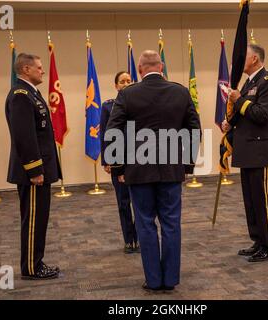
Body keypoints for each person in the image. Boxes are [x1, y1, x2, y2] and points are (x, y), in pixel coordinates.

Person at [106, 50, 201, 291]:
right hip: (171, 169)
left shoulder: (127, 94)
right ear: (161, 67)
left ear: (139, 70)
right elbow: (193, 129)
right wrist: (187, 164)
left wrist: (118, 167)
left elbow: (113, 130)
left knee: (145, 224)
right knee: (171, 223)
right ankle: (170, 280)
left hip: (138, 171)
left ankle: (153, 280)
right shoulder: (180, 91)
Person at [222, 44, 268, 262]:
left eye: (243, 56)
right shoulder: (248, 83)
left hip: (262, 152)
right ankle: (258, 240)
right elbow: (244, 113)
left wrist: (238, 99)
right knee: (251, 201)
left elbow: (262, 115)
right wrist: (230, 122)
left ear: (254, 59)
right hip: (247, 151)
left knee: (264, 201)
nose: (238, 61)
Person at [5, 53, 61, 279]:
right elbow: (24, 137)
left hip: (40, 170)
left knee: (39, 219)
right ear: (26, 69)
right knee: (33, 221)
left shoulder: (30, 94)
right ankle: (31, 267)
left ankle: (36, 262)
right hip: (33, 172)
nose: (43, 71)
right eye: (39, 67)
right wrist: (35, 170)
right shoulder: (21, 95)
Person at [100, 71, 140, 254]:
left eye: (129, 81)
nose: (126, 83)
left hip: (139, 159)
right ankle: (128, 239)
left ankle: (139, 237)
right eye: (122, 81)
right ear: (116, 86)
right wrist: (107, 160)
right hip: (118, 159)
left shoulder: (140, 104)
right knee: (123, 202)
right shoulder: (108, 106)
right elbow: (105, 135)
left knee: (140, 201)